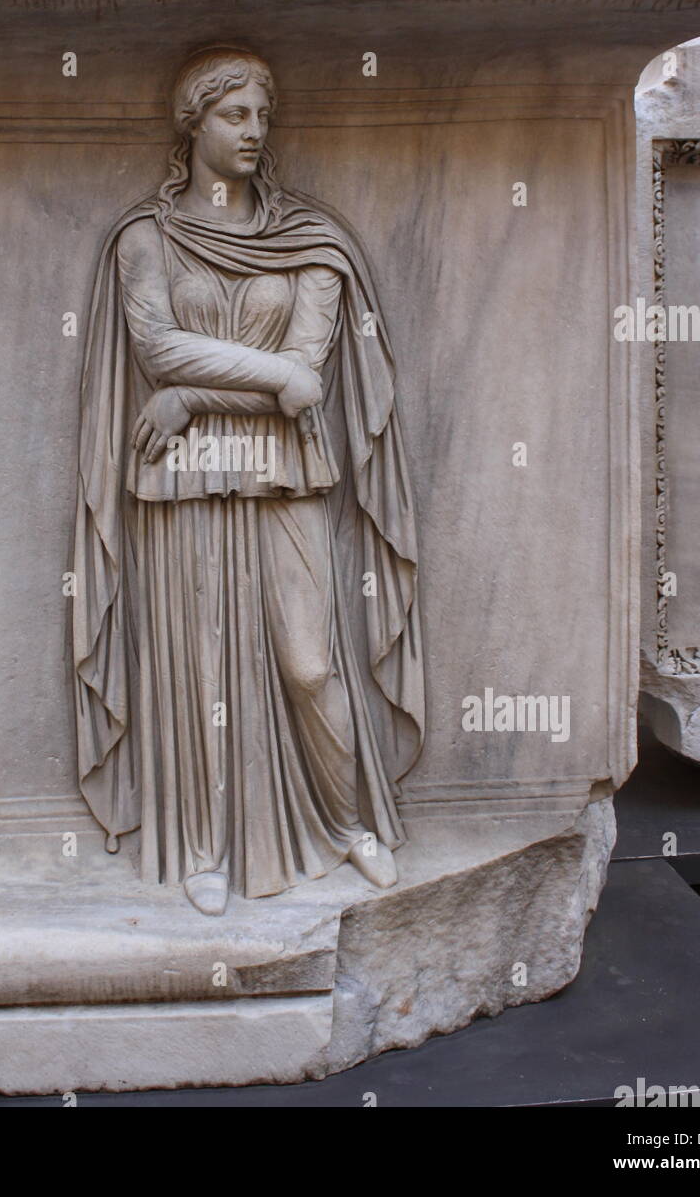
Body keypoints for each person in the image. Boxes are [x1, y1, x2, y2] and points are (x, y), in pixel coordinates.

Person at [74, 47, 425, 916]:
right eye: (236, 116)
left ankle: (348, 825)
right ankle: (204, 845)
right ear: (194, 124)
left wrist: (189, 395)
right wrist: (244, 381)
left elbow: (307, 368)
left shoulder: (311, 238)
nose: (254, 133)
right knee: (200, 670)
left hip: (281, 471)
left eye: (263, 117)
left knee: (311, 665)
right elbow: (155, 347)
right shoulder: (143, 239)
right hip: (183, 481)